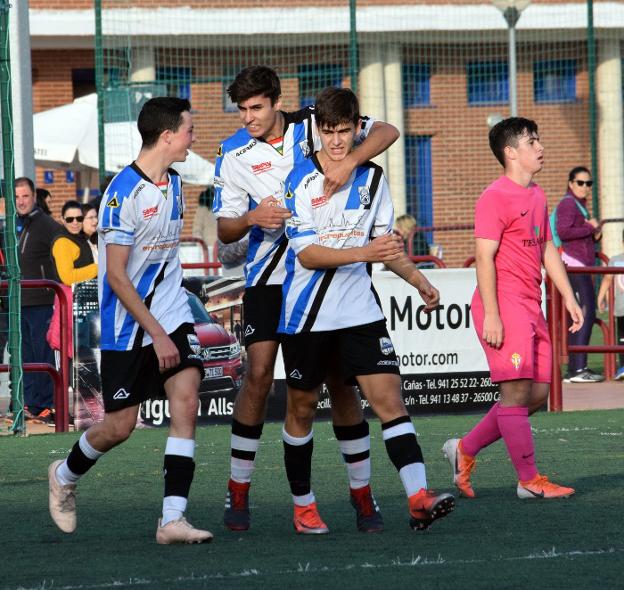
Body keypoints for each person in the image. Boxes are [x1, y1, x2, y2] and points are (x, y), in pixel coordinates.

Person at [213, 65, 400, 532]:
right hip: (269, 277)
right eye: (242, 110)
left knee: (341, 384)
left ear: (277, 101)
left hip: (328, 277)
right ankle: (239, 492)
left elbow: (387, 130)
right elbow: (224, 229)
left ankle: (362, 496)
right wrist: (253, 216)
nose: (249, 118)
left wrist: (349, 161)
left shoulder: (314, 122)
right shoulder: (232, 152)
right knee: (256, 376)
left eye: (256, 107)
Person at [278, 87, 455, 532]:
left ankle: (417, 495)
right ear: (316, 130)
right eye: (328, 132)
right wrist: (365, 253)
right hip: (307, 316)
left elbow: (387, 247)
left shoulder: (373, 178)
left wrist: (419, 281)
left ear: (359, 128)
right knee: (301, 410)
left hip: (360, 311)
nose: (336, 141)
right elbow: (308, 256)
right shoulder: (298, 180)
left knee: (389, 400)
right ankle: (303, 505)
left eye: (344, 131)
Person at [48, 97, 212, 544]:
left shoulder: (176, 185)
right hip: (128, 328)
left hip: (171, 315)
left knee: (187, 396)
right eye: (189, 130)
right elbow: (118, 279)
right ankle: (63, 475)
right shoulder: (122, 194)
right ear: (167, 136)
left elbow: (165, 266)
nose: (192, 138)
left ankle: (172, 519)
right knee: (118, 427)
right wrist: (157, 335)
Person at [442, 117, 583, 500]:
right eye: (532, 141)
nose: (540, 147)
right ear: (510, 152)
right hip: (503, 305)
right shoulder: (494, 197)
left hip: (530, 305)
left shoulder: (536, 194)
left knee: (536, 394)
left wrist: (568, 296)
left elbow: (547, 248)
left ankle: (464, 449)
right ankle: (528, 481)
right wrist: (492, 314)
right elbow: (483, 258)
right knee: (517, 392)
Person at [15, 177, 63, 424]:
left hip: (42, 299)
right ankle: (30, 404)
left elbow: (64, 248)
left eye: (25, 196)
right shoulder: (12, 224)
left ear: (34, 197)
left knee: (42, 354)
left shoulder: (46, 224)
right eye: (17, 196)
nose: (21, 201)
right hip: (18, 301)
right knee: (25, 356)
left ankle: (46, 405)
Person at [556, 166, 604, 383]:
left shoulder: (579, 205)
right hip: (573, 265)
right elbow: (564, 231)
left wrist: (593, 233)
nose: (585, 187)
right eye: (581, 183)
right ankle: (576, 370)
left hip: (581, 263)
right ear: (571, 184)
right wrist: (589, 228)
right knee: (584, 312)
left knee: (584, 313)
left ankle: (578, 367)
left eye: (589, 183)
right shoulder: (568, 203)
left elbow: (581, 235)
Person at [597, 230, 624, 380]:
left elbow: (607, 279)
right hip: (620, 308)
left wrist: (600, 298)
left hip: (621, 308)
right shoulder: (614, 260)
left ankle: (623, 367)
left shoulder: (615, 260)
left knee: (621, 338)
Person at [52, 200, 97, 287]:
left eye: (79, 218)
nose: (75, 222)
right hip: (69, 297)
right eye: (70, 219)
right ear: (62, 220)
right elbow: (68, 278)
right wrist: (97, 268)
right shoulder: (62, 242)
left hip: (83, 295)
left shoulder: (80, 237)